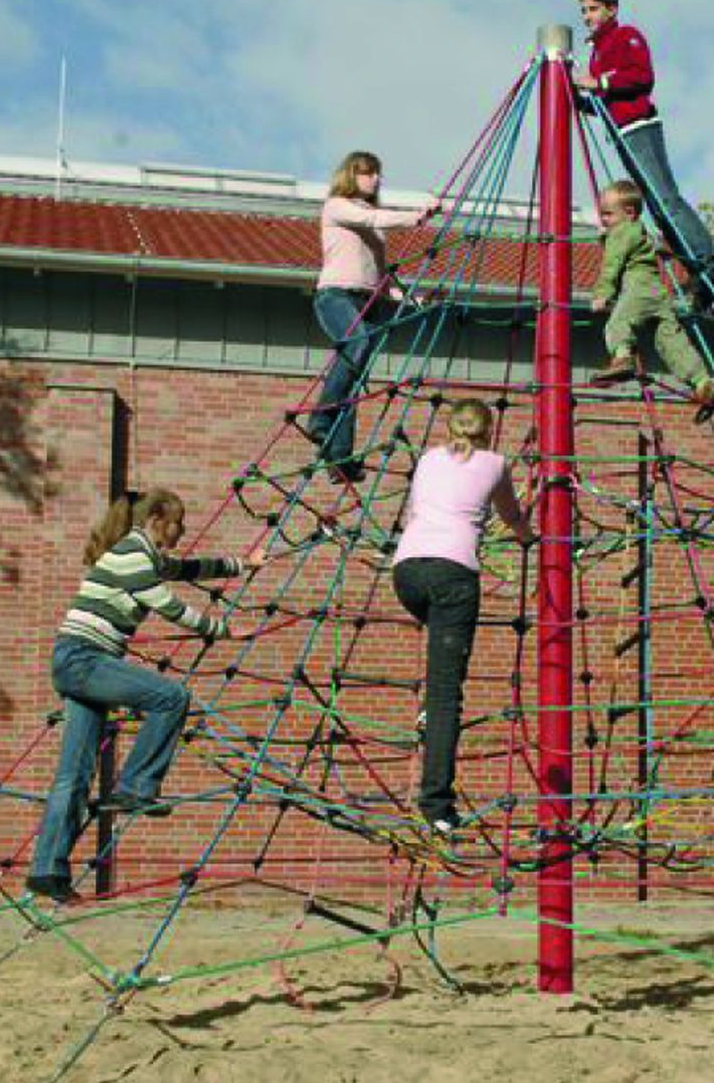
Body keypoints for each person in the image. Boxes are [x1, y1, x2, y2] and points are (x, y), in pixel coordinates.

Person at [26, 489, 268, 903]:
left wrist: (242, 564)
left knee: (75, 774)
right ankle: (137, 786)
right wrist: (223, 630)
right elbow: (168, 605)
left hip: (81, 662)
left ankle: (47, 871)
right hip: (85, 659)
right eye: (179, 522)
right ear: (158, 518)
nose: (183, 530)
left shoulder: (144, 555)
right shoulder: (133, 555)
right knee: (171, 697)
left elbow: (188, 568)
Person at [391, 400, 533, 834]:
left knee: (440, 673)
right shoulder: (495, 463)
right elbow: (512, 517)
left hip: (407, 572)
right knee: (446, 697)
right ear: (488, 430)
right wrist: (529, 537)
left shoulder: (428, 459)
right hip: (453, 577)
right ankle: (437, 808)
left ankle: (429, 713)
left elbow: (417, 508)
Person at [572, 0, 714, 310]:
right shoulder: (597, 51)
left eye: (592, 9)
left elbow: (641, 76)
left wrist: (598, 82)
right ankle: (696, 270)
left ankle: (711, 265)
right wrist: (579, 99)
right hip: (622, 129)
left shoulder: (626, 36)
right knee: (658, 209)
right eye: (584, 11)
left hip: (639, 127)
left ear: (611, 9)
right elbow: (606, 100)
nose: (587, 17)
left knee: (664, 198)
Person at [308, 150, 440, 483]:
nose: (376, 179)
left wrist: (418, 299)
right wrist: (418, 216)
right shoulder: (338, 206)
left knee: (354, 374)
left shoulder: (374, 223)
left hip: (368, 301)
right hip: (335, 295)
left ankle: (340, 457)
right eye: (368, 173)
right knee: (358, 345)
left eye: (378, 173)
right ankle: (320, 420)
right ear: (351, 175)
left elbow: (382, 282)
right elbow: (370, 219)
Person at [588, 180, 714, 419]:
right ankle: (702, 381)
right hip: (658, 294)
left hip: (637, 290)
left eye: (607, 214)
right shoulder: (641, 231)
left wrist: (602, 294)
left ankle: (622, 358)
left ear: (629, 212)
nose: (604, 220)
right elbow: (647, 249)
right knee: (671, 341)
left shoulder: (621, 231)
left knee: (618, 323)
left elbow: (612, 264)